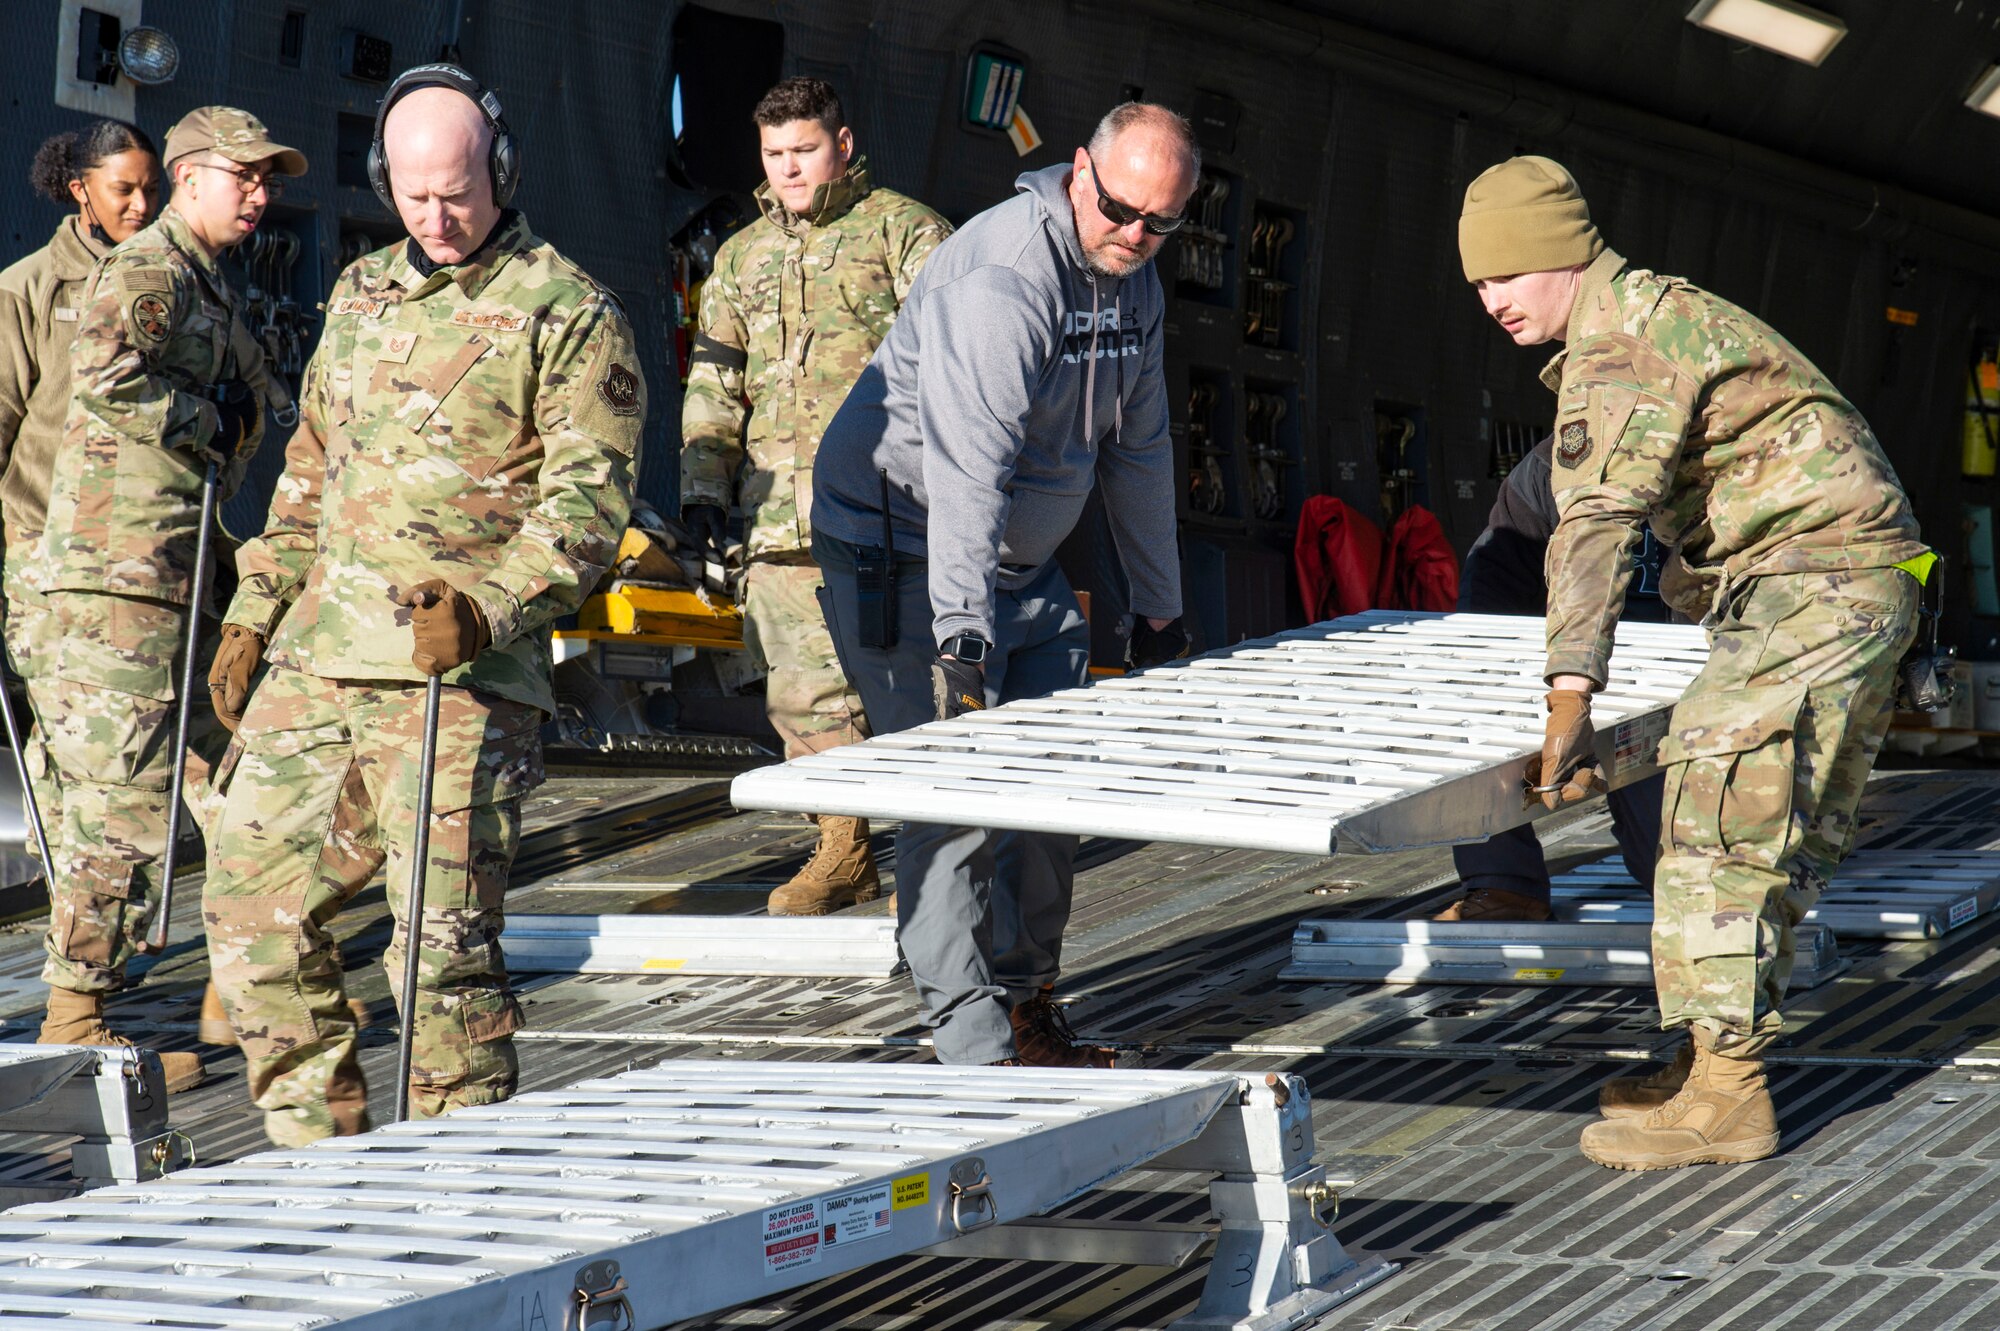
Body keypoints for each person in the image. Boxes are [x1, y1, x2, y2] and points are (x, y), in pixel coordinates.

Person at [202, 64, 642, 1146]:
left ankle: (459, 1183)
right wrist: (256, 606)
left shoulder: (569, 311)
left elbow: (588, 506)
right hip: (319, 658)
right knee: (249, 912)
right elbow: (312, 465)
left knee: (437, 953)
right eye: (412, 196)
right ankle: (318, 1158)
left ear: (501, 169)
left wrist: (490, 608)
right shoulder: (358, 294)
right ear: (380, 183)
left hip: (456, 676)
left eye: (457, 192)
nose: (436, 218)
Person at [1459, 155, 1927, 1169]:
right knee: (1759, 819)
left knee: (1713, 799)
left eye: (1504, 271)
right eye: (1475, 282)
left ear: (1556, 254)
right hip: (1840, 577)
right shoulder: (1647, 318)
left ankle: (1728, 1093)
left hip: (1817, 576)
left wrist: (1566, 701)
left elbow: (1593, 524)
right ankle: (1710, 1057)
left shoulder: (1618, 345)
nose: (1489, 298)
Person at [809, 102, 1197, 1068]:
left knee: (1053, 788)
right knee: (954, 793)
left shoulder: (1134, 283)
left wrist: (1160, 609)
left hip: (1020, 561)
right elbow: (969, 472)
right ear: (1078, 172)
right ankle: (975, 1051)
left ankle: (1028, 1008)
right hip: (904, 547)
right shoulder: (1003, 281)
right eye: (1118, 209)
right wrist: (962, 636)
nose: (1135, 234)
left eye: (1161, 222)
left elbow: (1140, 452)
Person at [30, 109, 303, 1092]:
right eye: (247, 176)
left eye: (269, 179)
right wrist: (212, 412)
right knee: (122, 801)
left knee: (216, 777)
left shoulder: (202, 278)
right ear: (191, 179)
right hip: (119, 574)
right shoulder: (150, 269)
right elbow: (105, 379)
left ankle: (239, 991)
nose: (262, 194)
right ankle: (75, 1019)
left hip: (176, 570)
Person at [680, 76, 949, 916]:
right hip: (778, 515)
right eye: (774, 155)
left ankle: (956, 846)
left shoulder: (907, 233)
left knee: (917, 687)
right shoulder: (740, 257)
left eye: (803, 150)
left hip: (894, 509)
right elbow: (716, 381)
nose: (789, 169)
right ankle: (844, 848)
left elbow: (960, 367)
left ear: (843, 142)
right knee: (800, 692)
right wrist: (701, 490)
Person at [1, 120, 161, 909]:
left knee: (127, 736)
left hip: (136, 550)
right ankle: (70, 899)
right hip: (43, 550)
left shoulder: (164, 282)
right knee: (65, 727)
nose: (140, 204)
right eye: (123, 189)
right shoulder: (29, 289)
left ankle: (96, 902)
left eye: (149, 189)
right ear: (81, 191)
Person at [1432, 433, 1668, 923]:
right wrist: (1485, 671)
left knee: (1672, 870)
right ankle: (1505, 885)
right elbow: (1496, 580)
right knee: (1471, 712)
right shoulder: (1555, 463)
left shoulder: (1729, 462)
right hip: (1576, 663)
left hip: (1687, 674)